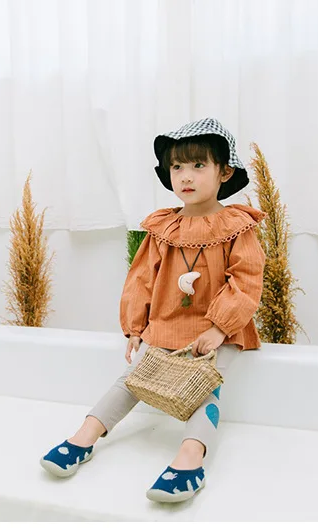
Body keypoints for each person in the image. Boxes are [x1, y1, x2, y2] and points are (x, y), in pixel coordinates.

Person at [40, 117, 266, 503]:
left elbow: (246, 280)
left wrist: (218, 327)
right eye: (177, 166)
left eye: (198, 165)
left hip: (218, 329)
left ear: (224, 171)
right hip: (167, 324)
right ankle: (84, 437)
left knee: (203, 386)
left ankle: (190, 459)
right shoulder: (164, 227)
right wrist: (134, 326)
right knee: (132, 380)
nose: (186, 176)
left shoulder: (236, 226)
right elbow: (142, 278)